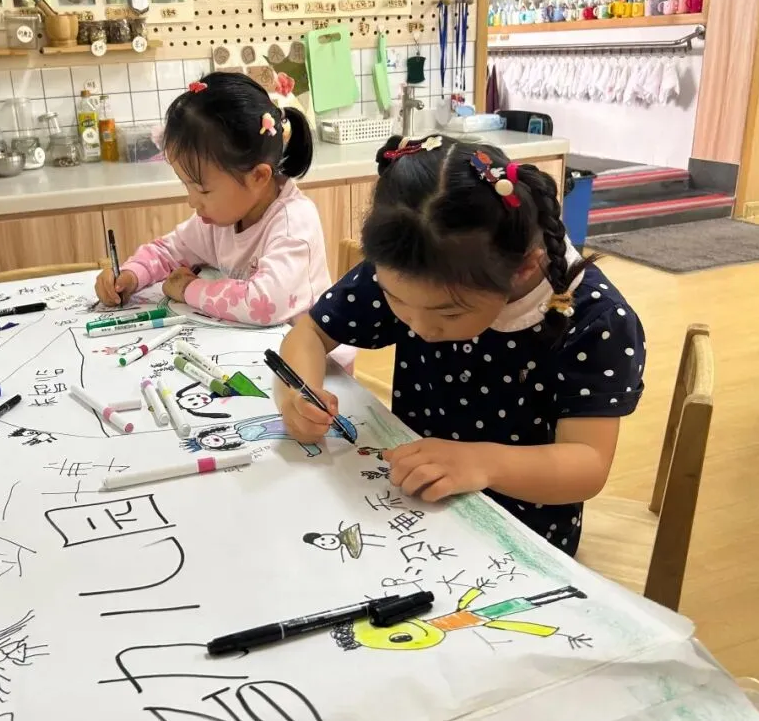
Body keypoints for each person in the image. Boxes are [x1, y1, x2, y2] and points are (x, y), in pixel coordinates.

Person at [274, 134, 646, 555]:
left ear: (523, 266)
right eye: (396, 301)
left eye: (448, 315)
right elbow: (309, 334)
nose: (419, 327)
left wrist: (481, 463)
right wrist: (299, 394)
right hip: (411, 503)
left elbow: (588, 464)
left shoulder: (594, 320)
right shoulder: (412, 266)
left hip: (520, 533)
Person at [93, 72, 327, 327]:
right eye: (187, 186)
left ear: (258, 177)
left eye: (203, 190)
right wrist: (131, 275)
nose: (192, 201)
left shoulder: (294, 222)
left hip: (305, 350)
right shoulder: (221, 218)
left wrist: (188, 288)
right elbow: (168, 251)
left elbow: (265, 302)